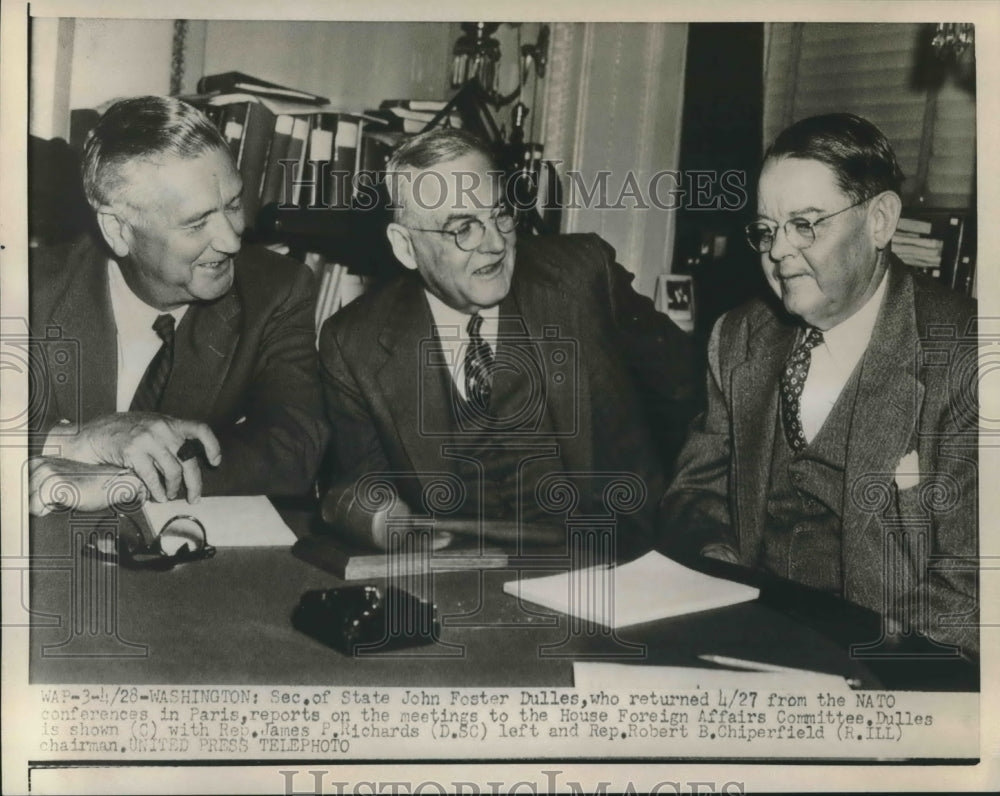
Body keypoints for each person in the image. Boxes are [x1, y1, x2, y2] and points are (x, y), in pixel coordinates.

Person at [661, 113, 978, 657]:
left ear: (880, 221)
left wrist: (842, 664)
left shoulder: (965, 358)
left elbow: (972, 593)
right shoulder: (739, 337)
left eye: (806, 224)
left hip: (888, 669)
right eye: (766, 230)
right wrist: (718, 571)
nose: (779, 251)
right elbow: (695, 494)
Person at [319, 128, 699, 555]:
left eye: (500, 215)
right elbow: (358, 486)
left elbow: (695, 400)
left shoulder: (582, 278)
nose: (496, 244)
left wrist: (685, 529)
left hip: (616, 568)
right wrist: (390, 524)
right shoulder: (354, 344)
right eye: (463, 228)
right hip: (461, 581)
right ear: (406, 246)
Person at [29, 96, 329, 513]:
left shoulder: (277, 289)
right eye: (196, 222)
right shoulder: (25, 291)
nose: (231, 239)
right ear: (118, 229)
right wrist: (79, 439)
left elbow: (293, 448)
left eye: (234, 204)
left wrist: (130, 479)